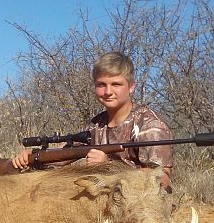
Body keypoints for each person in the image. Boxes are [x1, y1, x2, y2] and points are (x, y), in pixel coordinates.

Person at [12, 52, 173, 189]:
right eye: (101, 85)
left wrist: (109, 168)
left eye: (116, 84)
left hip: (145, 208)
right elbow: (64, 156)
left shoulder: (150, 125)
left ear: (131, 86)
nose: (108, 91)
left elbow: (162, 179)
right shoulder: (96, 125)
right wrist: (33, 157)